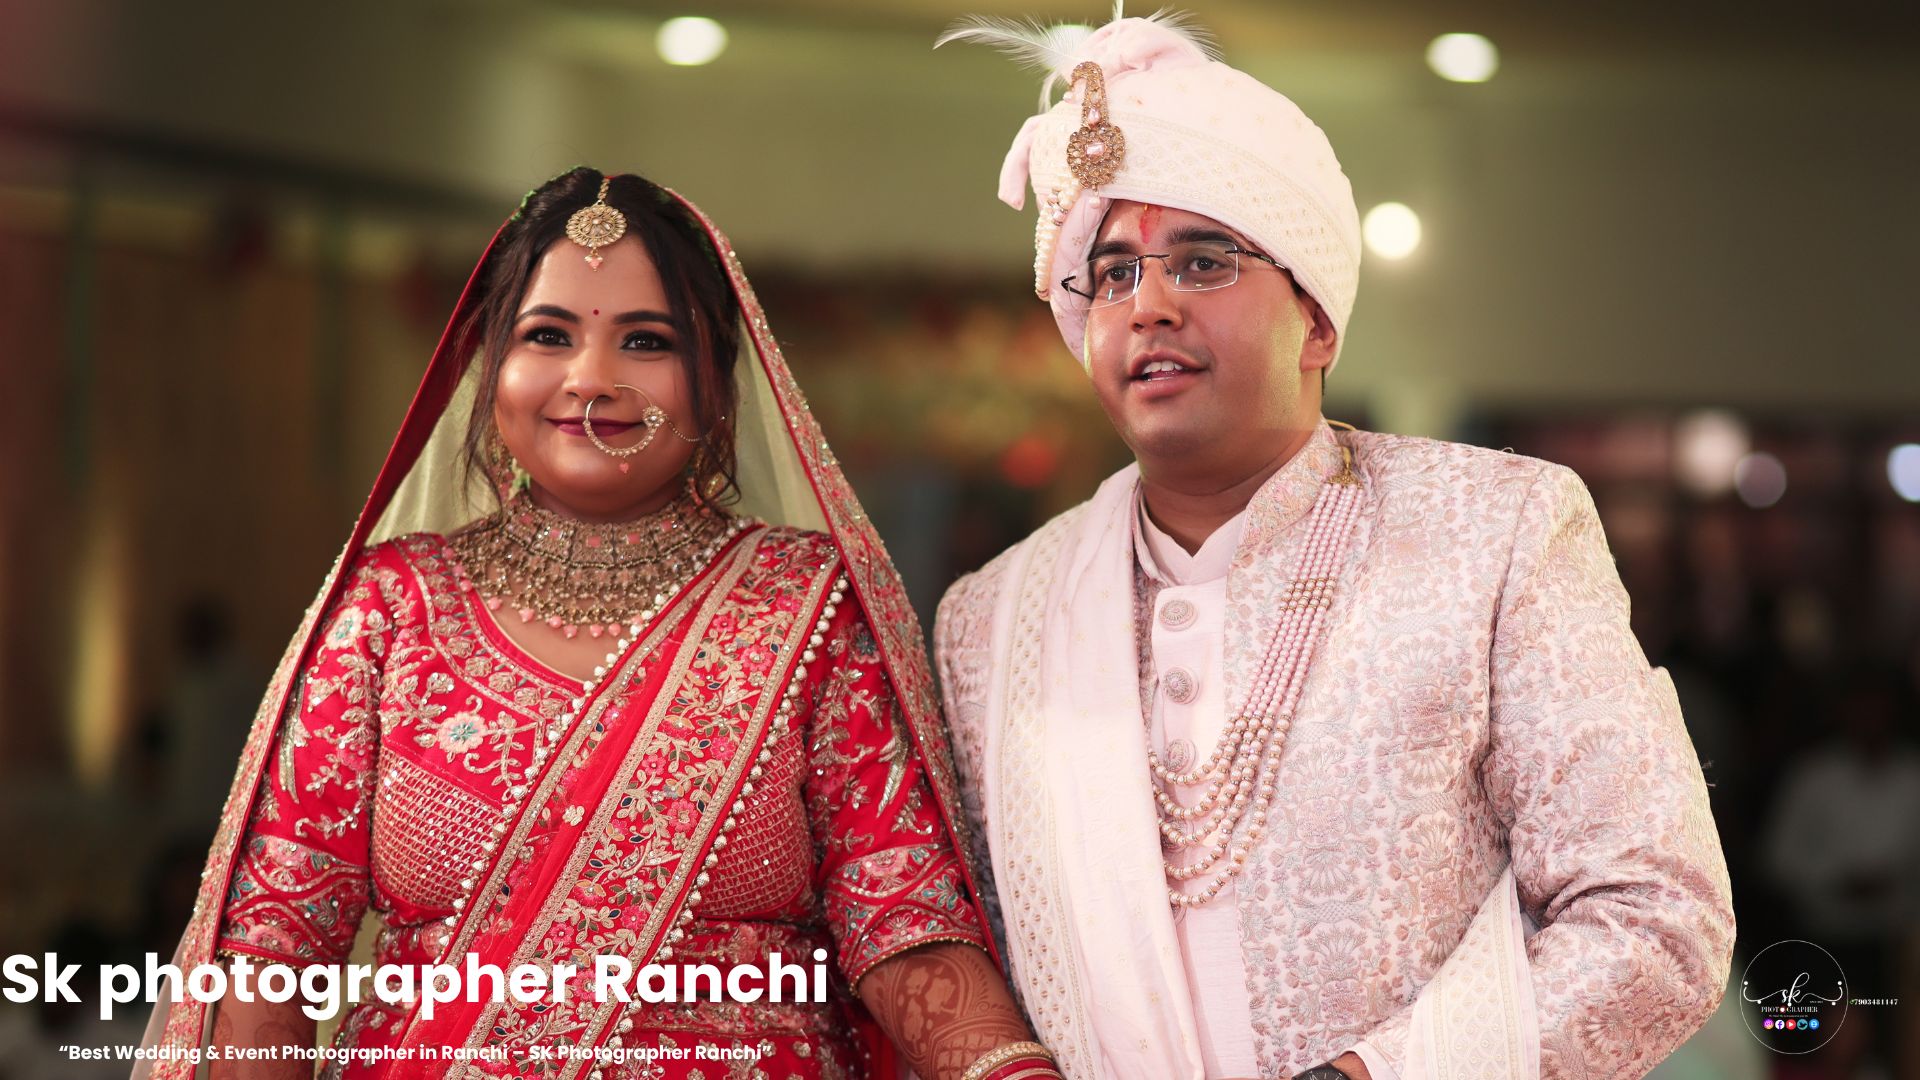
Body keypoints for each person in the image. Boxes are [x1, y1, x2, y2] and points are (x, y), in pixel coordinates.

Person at [934, 10, 1735, 1080]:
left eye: (1202, 261)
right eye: (1112, 274)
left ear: (1315, 322)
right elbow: (957, 946)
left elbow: (1656, 917)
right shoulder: (992, 618)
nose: (1149, 304)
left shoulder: (1494, 532)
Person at [134, 168, 1059, 1080]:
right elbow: (277, 939)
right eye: (548, 335)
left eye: (646, 340)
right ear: (491, 366)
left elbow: (900, 915)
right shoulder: (392, 607)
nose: (592, 379)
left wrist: (1008, 1073)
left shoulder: (804, 603)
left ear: (717, 381)